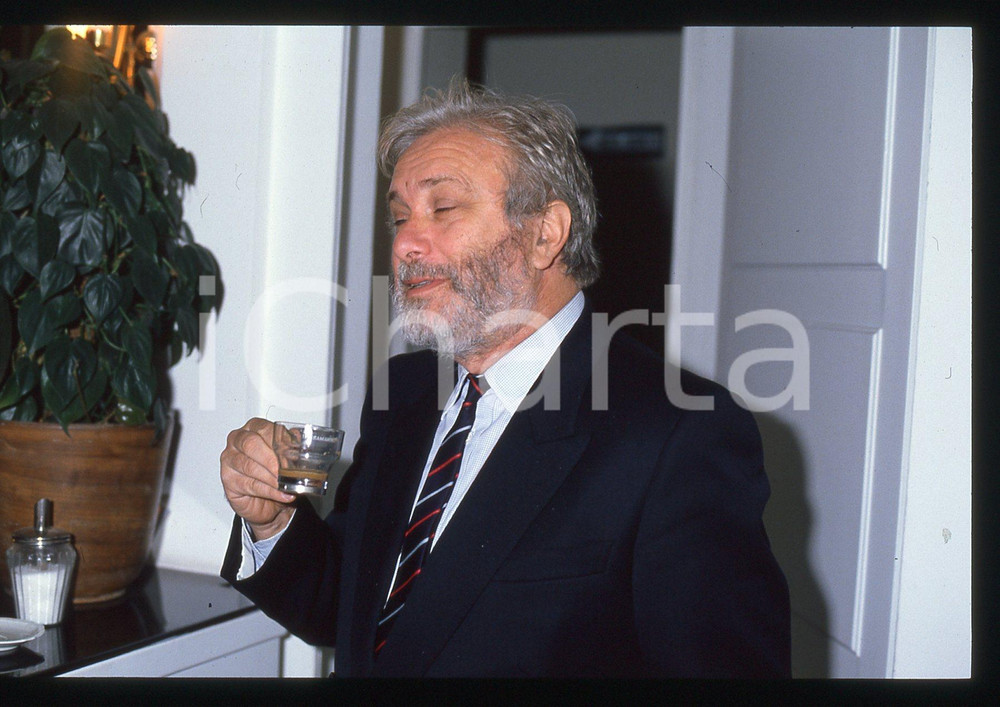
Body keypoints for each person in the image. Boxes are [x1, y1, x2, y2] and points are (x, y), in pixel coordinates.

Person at [219, 80, 791, 678]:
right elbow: (358, 612)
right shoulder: (405, 392)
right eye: (399, 217)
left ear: (545, 233)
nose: (407, 243)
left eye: (443, 209)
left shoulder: (677, 433)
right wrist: (272, 520)